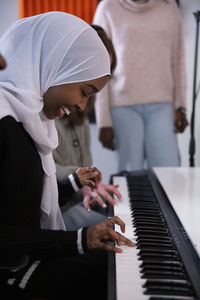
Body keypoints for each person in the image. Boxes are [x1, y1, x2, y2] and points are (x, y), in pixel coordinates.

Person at [0, 12, 134, 300]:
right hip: (10, 274)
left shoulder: (31, 124)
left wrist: (71, 182)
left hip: (22, 262)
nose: (82, 106)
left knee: (117, 263)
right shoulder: (5, 125)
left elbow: (21, 205)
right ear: (56, 68)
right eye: (84, 92)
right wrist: (78, 240)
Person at [93, 0, 188, 172]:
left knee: (168, 173)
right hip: (123, 107)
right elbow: (100, 66)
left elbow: (178, 60)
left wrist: (181, 106)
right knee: (130, 174)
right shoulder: (107, 8)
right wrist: (103, 121)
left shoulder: (169, 8)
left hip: (162, 106)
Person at [53, 24, 119, 230]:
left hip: (75, 204)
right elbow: (44, 173)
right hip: (58, 214)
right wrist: (81, 181)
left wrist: (91, 188)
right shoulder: (47, 109)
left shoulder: (82, 112)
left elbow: (85, 167)